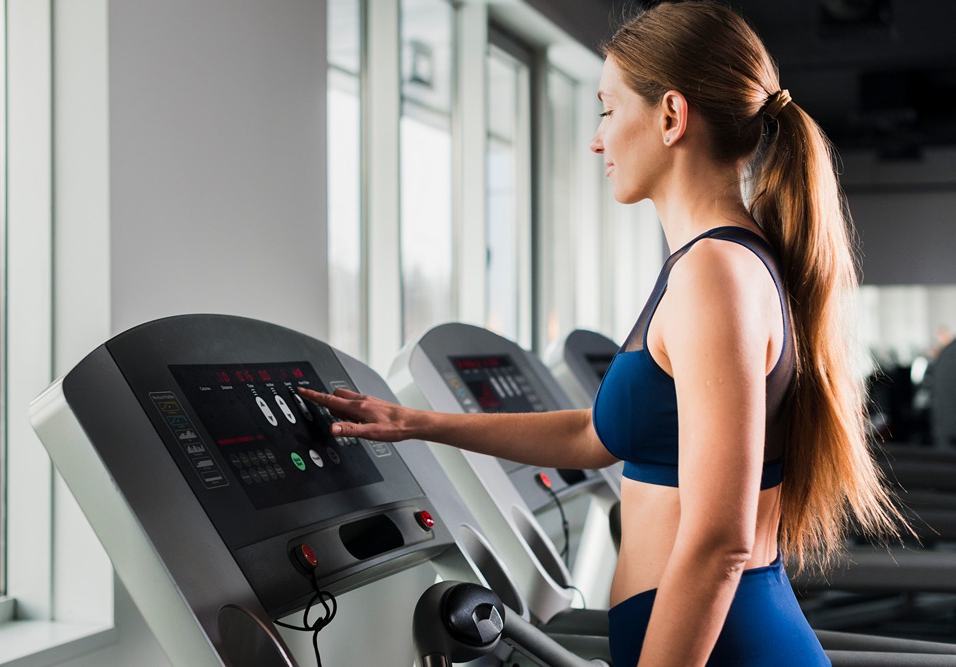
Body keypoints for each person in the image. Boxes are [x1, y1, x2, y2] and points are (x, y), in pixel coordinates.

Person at [300, 2, 907, 664]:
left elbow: (718, 541)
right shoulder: (709, 265)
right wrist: (414, 420)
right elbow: (594, 435)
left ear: (671, 117)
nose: (597, 140)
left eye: (607, 110)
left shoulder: (715, 274)